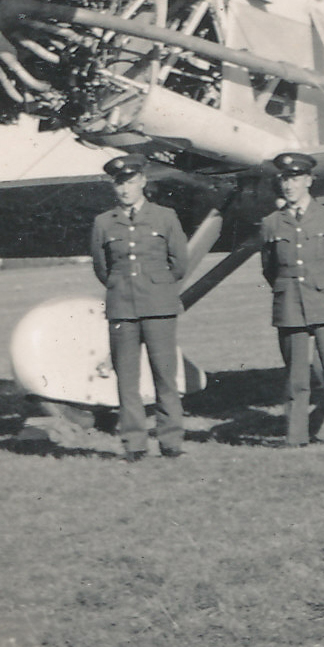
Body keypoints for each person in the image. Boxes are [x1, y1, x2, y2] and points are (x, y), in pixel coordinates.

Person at [90, 154, 191, 460]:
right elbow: (102, 268)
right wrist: (123, 287)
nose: (125, 189)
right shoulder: (104, 222)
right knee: (127, 379)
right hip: (122, 308)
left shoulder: (165, 217)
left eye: (131, 182)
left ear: (143, 182)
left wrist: (156, 286)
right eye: (119, 183)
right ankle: (134, 443)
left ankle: (170, 441)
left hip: (159, 307)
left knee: (165, 376)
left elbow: (179, 263)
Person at [260, 152, 324, 446]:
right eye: (284, 179)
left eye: (295, 178)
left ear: (309, 181)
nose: (289, 185)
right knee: (295, 378)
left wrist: (321, 286)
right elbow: (270, 269)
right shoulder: (271, 223)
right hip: (290, 305)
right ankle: (296, 438)